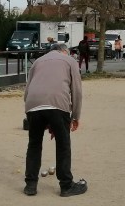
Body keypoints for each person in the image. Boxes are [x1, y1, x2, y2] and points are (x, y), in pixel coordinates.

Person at [23, 42, 87, 197]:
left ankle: (30, 185)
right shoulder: (70, 60)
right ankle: (66, 185)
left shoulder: (38, 61)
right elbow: (76, 90)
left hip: (33, 105)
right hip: (58, 104)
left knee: (34, 144)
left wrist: (32, 113)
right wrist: (76, 116)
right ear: (64, 51)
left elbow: (27, 90)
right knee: (63, 144)